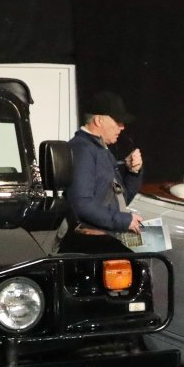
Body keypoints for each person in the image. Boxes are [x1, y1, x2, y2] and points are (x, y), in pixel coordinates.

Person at [65, 92, 144, 251]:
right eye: (117, 121)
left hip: (103, 240)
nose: (122, 127)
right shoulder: (82, 150)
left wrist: (133, 173)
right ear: (98, 120)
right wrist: (123, 220)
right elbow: (81, 204)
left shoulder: (99, 150)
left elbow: (120, 201)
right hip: (92, 247)